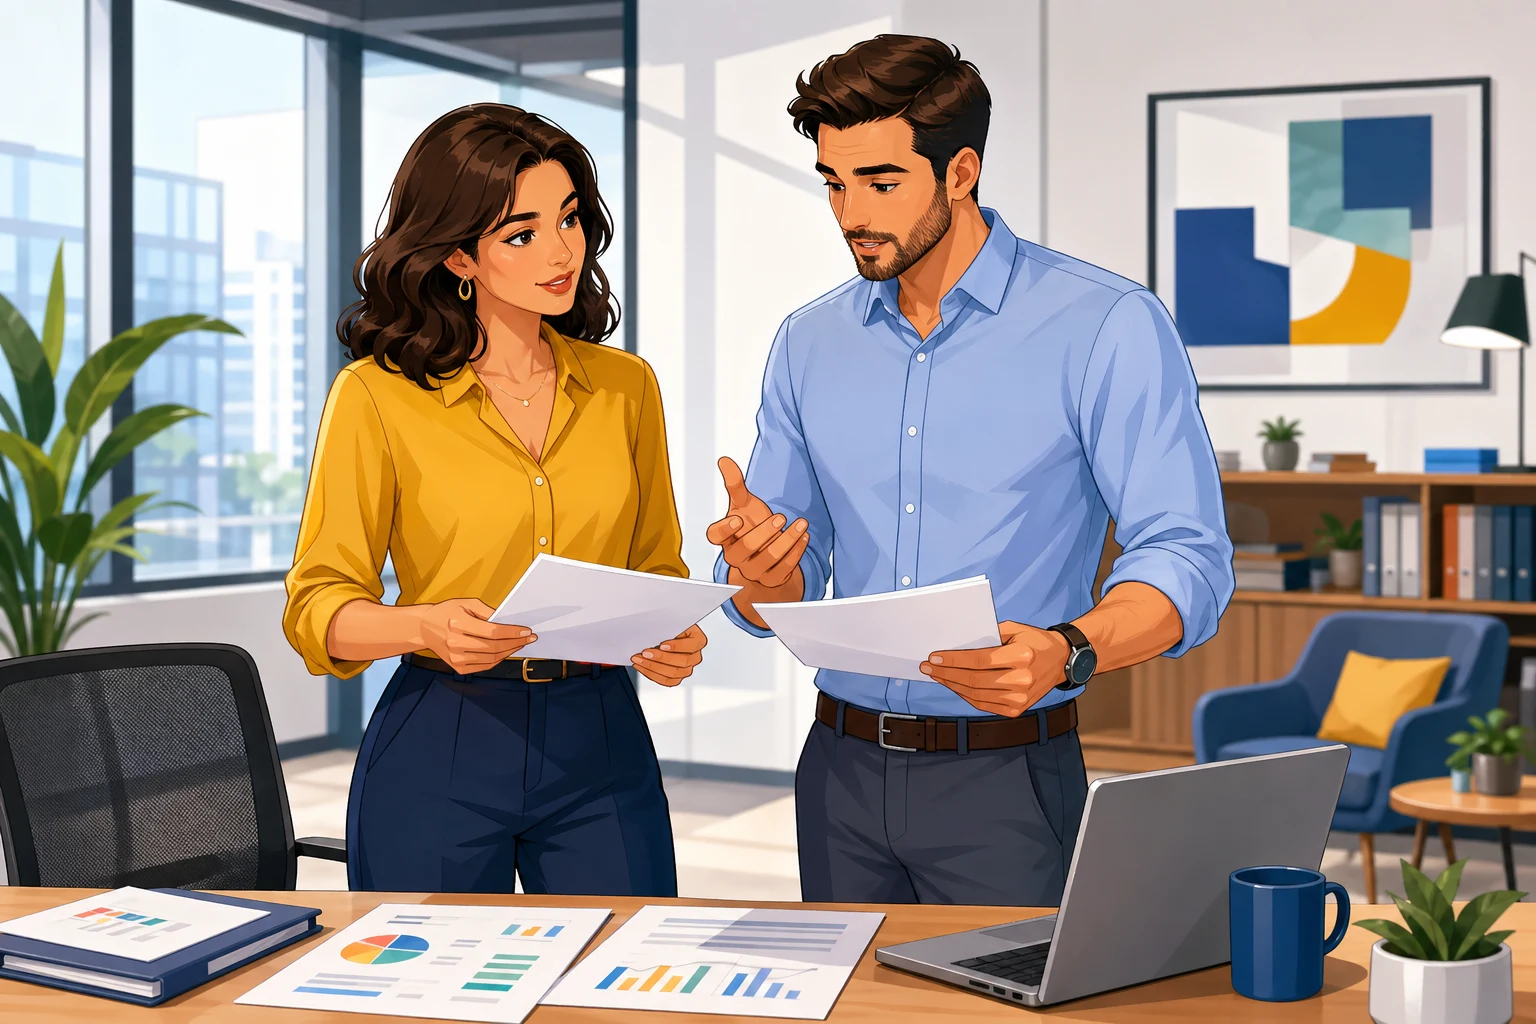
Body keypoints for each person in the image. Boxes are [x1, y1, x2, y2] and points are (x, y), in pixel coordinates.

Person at [709, 35, 1235, 906]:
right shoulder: (809, 341)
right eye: (833, 183)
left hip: (1008, 777)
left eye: (880, 183)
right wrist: (758, 576)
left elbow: (1188, 555)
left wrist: (1072, 650)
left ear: (959, 174)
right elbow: (779, 587)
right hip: (837, 771)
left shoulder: (1106, 324)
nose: (850, 214)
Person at [283, 103, 704, 896]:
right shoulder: (376, 396)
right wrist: (423, 626)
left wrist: (671, 635)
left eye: (570, 220)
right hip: (442, 730)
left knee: (621, 985)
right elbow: (317, 607)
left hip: (601, 733)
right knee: (429, 997)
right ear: (458, 257)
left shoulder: (626, 387)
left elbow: (657, 567)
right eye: (522, 233)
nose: (561, 252)